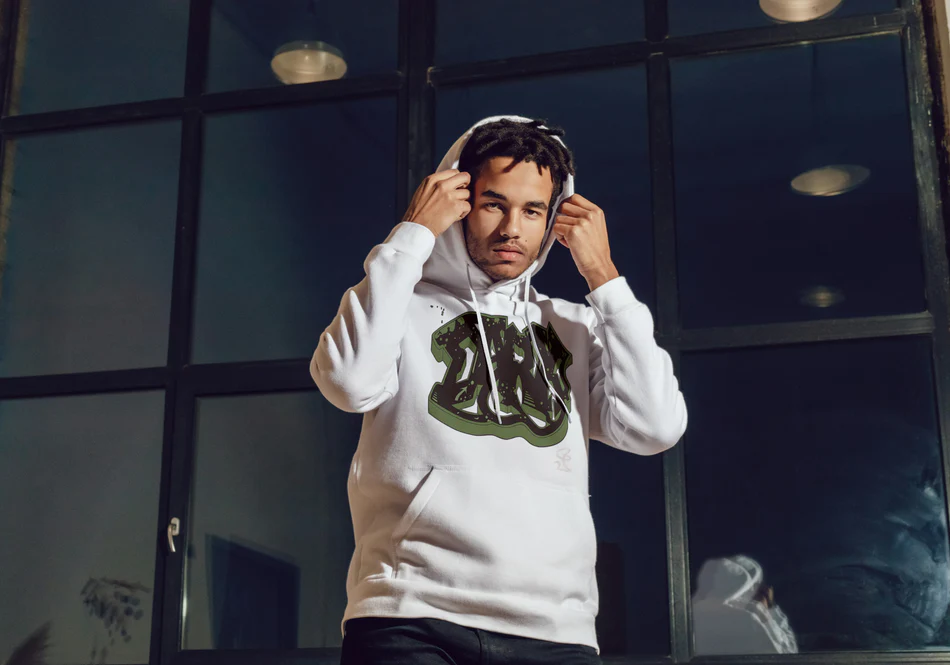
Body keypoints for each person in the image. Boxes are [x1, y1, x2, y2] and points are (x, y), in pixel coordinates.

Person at [311, 115, 688, 664]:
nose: (513, 227)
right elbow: (347, 382)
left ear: (555, 217)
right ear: (460, 201)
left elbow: (655, 427)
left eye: (533, 210)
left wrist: (604, 276)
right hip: (410, 613)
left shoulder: (574, 327)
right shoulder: (397, 305)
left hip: (555, 628)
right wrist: (413, 235)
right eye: (494, 203)